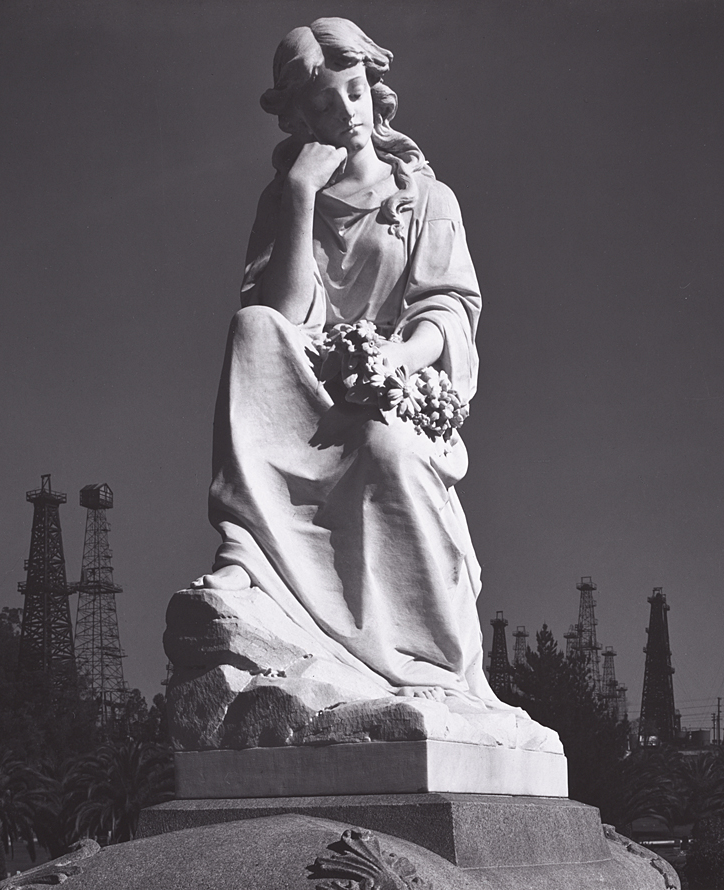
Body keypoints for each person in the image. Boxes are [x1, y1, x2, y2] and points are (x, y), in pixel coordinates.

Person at [191, 18, 518, 718]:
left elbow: (448, 311)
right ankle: (249, 557)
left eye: (353, 93)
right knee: (249, 326)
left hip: (396, 392)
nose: (343, 113)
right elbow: (283, 317)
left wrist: (395, 359)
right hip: (306, 389)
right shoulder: (283, 203)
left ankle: (419, 658)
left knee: (382, 446)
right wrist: (302, 199)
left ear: (374, 91)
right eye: (322, 105)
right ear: (299, 119)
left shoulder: (428, 200)